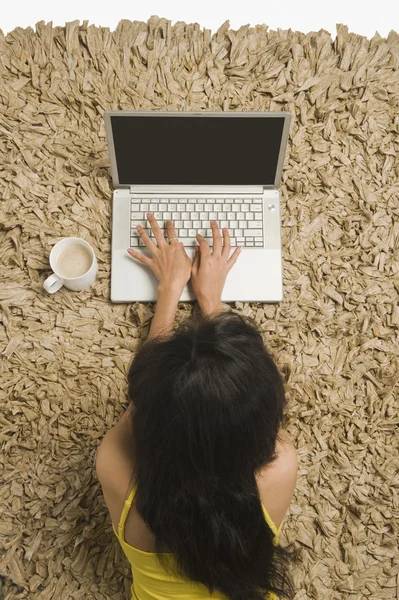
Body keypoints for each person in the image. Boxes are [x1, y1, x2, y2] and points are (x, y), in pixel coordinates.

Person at [96, 214, 298, 600]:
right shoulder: (282, 466)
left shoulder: (115, 467)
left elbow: (146, 400)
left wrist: (170, 291)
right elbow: (239, 407)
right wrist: (212, 300)